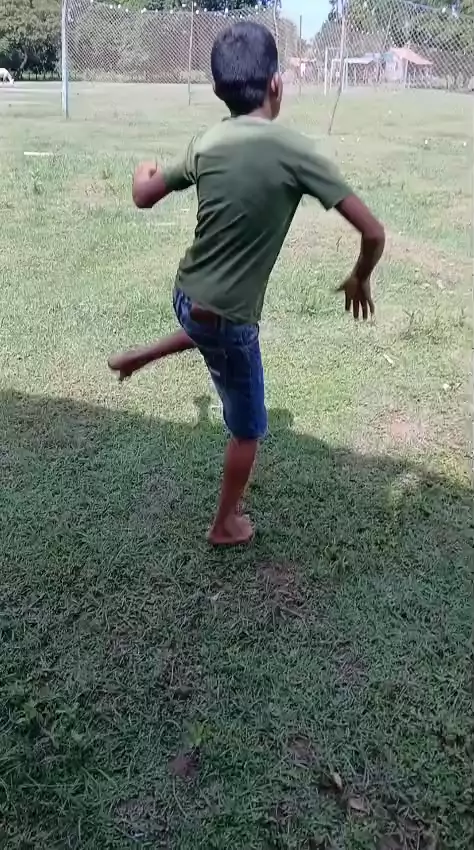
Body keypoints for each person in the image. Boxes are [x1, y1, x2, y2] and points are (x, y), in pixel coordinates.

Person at [108, 21, 385, 546]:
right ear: (276, 84)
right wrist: (359, 276)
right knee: (248, 429)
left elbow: (144, 195)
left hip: (185, 296)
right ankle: (225, 523)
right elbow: (373, 232)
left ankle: (138, 357)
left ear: (218, 90)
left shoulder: (207, 141)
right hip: (226, 318)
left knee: (209, 329)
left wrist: (143, 169)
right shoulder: (296, 151)